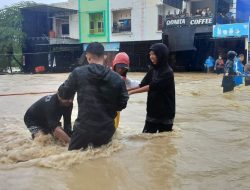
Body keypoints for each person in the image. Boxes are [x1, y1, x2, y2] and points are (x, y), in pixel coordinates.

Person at [60, 42, 129, 150]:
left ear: (88, 57)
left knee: (74, 162)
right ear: (104, 57)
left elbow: (64, 93)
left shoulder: (78, 73)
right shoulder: (117, 78)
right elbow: (123, 103)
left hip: (83, 131)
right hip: (106, 131)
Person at [128, 43, 175, 133]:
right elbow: (142, 84)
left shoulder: (168, 72)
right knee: (147, 138)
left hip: (166, 114)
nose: (151, 56)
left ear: (161, 55)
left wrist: (131, 93)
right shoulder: (153, 70)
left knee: (163, 142)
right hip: (152, 112)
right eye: (150, 54)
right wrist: (126, 90)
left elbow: (151, 87)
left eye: (153, 54)